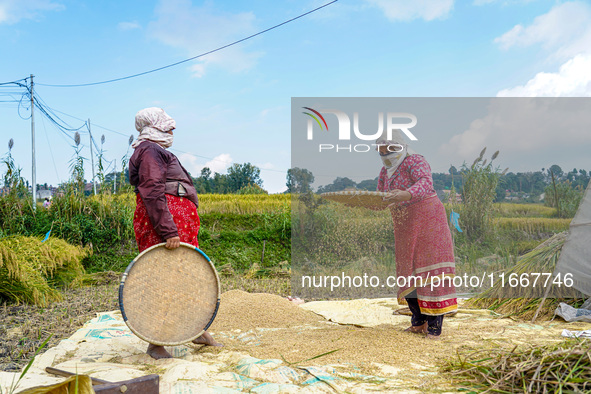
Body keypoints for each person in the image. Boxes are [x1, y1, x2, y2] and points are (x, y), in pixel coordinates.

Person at [129, 107, 221, 359]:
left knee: (185, 276)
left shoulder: (155, 150)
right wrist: (168, 230)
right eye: (167, 126)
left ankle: (194, 330)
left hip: (178, 222)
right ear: (154, 127)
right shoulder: (149, 150)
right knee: (162, 280)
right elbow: (152, 191)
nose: (172, 130)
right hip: (166, 225)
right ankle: (155, 342)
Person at [376, 130, 457, 339]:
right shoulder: (385, 171)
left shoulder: (415, 161)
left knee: (429, 270)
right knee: (408, 270)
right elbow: (380, 197)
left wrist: (407, 193)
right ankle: (418, 321)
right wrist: (366, 203)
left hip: (428, 219)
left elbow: (424, 183)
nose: (386, 154)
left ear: (400, 146)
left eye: (390, 149)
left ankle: (434, 326)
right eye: (381, 151)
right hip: (404, 223)